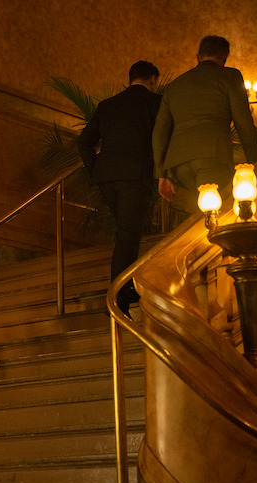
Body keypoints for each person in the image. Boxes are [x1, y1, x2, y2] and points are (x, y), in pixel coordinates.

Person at [77, 60, 162, 317]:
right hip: (134, 177)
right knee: (128, 236)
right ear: (153, 79)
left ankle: (126, 290)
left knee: (127, 233)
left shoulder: (108, 105)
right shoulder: (154, 103)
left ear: (131, 78)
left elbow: (84, 142)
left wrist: (96, 169)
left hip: (107, 179)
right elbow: (163, 138)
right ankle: (116, 300)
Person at [152, 35, 257, 220]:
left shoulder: (175, 85)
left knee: (199, 215)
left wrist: (162, 174)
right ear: (224, 58)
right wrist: (256, 162)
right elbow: (244, 123)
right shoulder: (230, 76)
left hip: (178, 166)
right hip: (211, 155)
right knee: (216, 216)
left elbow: (159, 132)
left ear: (198, 57)